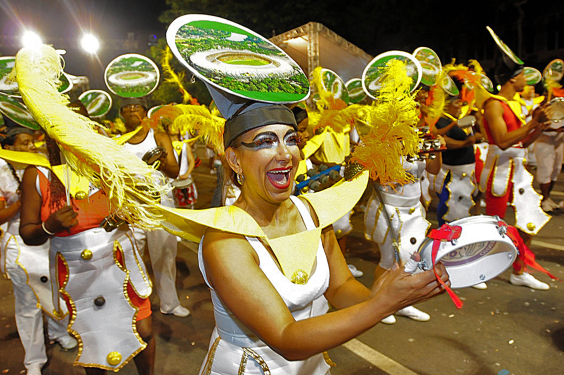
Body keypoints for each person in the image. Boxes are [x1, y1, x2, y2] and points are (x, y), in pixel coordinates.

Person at [0, 124, 76, 375]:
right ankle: (33, 359)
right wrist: (25, 200)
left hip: (47, 240)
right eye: (24, 143)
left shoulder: (43, 164)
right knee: (28, 304)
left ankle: (58, 332)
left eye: (32, 141)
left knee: (56, 290)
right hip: (20, 247)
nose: (31, 146)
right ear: (8, 147)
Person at [480, 42, 553, 290]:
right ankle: (482, 270)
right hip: (499, 171)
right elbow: (501, 141)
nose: (527, 79)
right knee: (495, 226)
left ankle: (519, 271)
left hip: (518, 172)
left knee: (528, 219)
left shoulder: (513, 105)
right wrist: (532, 122)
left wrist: (541, 126)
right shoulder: (493, 104)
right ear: (512, 79)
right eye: (522, 74)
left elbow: (522, 141)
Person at [120, 98, 190, 317]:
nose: (132, 111)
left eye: (137, 107)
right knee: (132, 257)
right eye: (127, 108)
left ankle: (169, 303)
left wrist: (157, 160)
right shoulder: (117, 142)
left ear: (144, 113)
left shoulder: (158, 136)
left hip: (160, 204)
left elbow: (174, 171)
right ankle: (136, 306)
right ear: (121, 114)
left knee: (165, 255)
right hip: (131, 207)